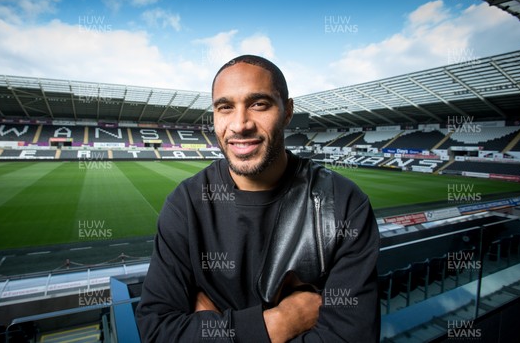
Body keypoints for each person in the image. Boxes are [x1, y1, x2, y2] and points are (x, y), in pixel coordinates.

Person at [136, 55, 380, 342]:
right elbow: (157, 331)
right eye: (225, 107)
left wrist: (214, 327)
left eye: (258, 104)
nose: (240, 124)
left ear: (287, 111)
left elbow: (350, 338)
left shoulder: (343, 205)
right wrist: (280, 323)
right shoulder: (185, 203)